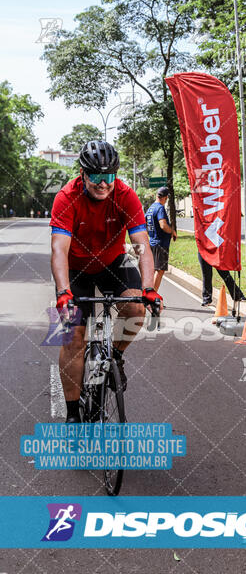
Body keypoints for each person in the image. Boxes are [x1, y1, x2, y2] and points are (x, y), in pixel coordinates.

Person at [50, 140, 162, 424]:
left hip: (113, 261)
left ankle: (116, 355)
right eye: (96, 177)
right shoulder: (66, 197)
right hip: (76, 267)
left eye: (109, 176)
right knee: (74, 337)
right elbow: (59, 249)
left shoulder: (125, 196)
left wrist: (149, 289)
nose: (103, 184)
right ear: (82, 174)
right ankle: (73, 413)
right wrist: (64, 292)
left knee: (136, 310)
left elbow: (142, 247)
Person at [145, 186, 177, 292]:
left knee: (154, 270)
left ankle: (148, 294)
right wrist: (172, 231)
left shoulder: (150, 208)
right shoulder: (160, 208)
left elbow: (145, 225)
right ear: (166, 197)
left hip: (153, 242)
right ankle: (152, 297)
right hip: (160, 244)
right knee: (160, 271)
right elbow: (163, 225)